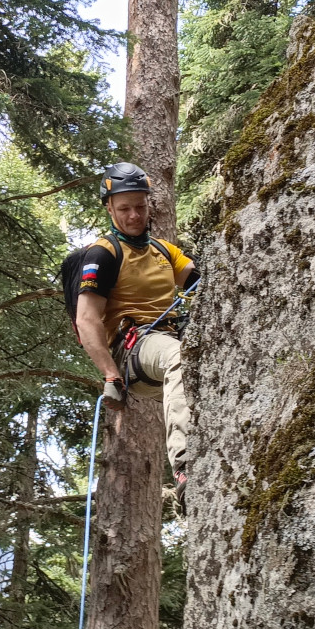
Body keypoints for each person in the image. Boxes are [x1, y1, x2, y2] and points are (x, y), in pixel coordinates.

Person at [74, 162, 200, 509]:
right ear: (110, 208)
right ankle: (186, 468)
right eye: (125, 208)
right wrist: (109, 373)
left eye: (140, 206)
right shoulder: (103, 254)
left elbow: (198, 279)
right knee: (181, 359)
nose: (134, 215)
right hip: (134, 348)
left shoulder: (162, 251)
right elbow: (87, 319)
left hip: (170, 336)